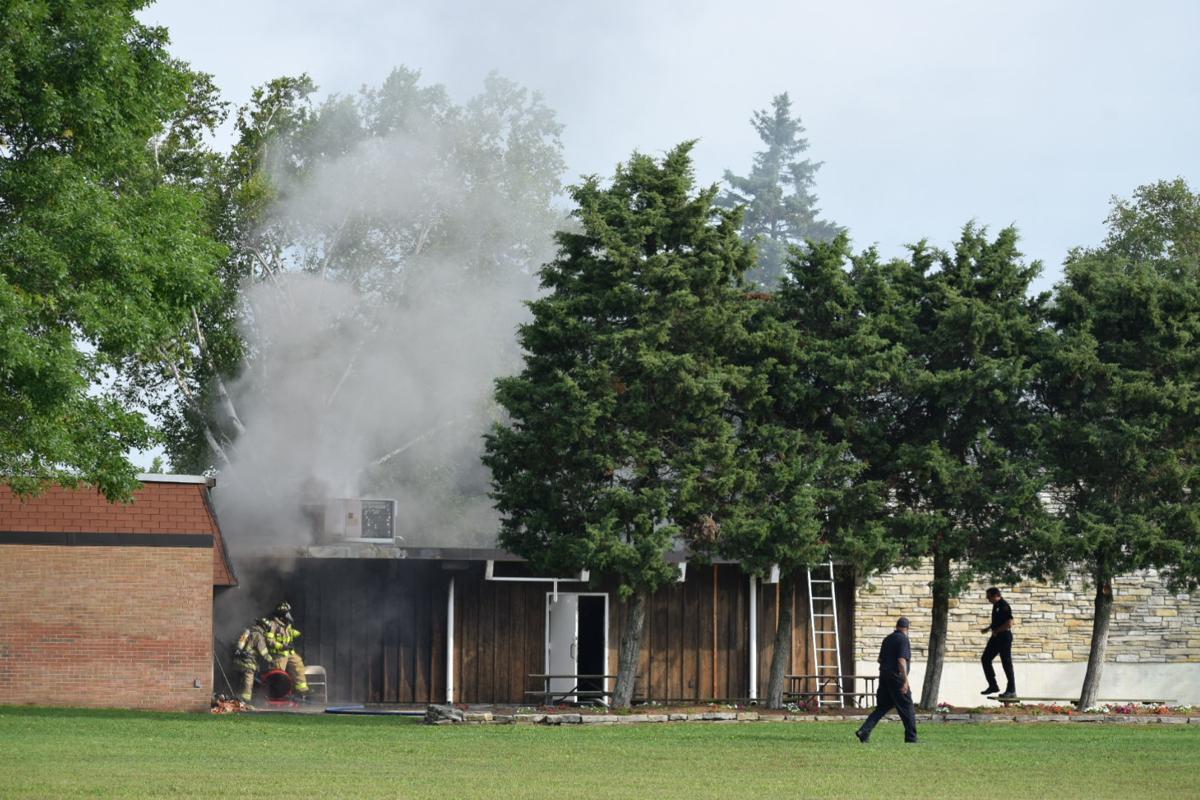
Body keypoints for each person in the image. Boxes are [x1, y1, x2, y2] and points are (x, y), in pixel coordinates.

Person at [855, 617, 919, 744]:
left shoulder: (888, 639)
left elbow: (880, 659)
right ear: (907, 628)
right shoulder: (903, 639)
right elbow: (901, 660)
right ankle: (911, 738)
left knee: (883, 706)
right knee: (907, 707)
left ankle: (864, 731)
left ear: (896, 626)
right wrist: (905, 681)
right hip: (896, 677)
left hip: (884, 676)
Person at [264, 601, 311, 698]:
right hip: (279, 654)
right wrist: (281, 646)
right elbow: (269, 641)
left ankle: (302, 691)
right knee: (278, 674)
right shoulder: (272, 625)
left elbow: (290, 634)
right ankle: (277, 694)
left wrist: (299, 633)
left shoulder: (287, 625)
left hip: (289, 653)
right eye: (287, 613)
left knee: (298, 665)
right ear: (281, 614)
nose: (289, 615)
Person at [981, 587, 1016, 699]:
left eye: (989, 597)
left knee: (1006, 663)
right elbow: (998, 621)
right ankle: (993, 685)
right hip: (996, 637)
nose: (988, 599)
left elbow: (1009, 623)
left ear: (996, 595)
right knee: (985, 659)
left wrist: (996, 631)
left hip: (1004, 637)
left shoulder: (1004, 605)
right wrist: (988, 628)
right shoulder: (996, 605)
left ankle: (1011, 690)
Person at [232, 618, 272, 702]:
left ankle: (234, 697)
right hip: (248, 662)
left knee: (238, 681)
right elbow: (263, 651)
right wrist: (270, 659)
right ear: (264, 627)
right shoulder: (258, 635)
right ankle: (245, 700)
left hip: (238, 661)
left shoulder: (248, 631)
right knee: (248, 681)